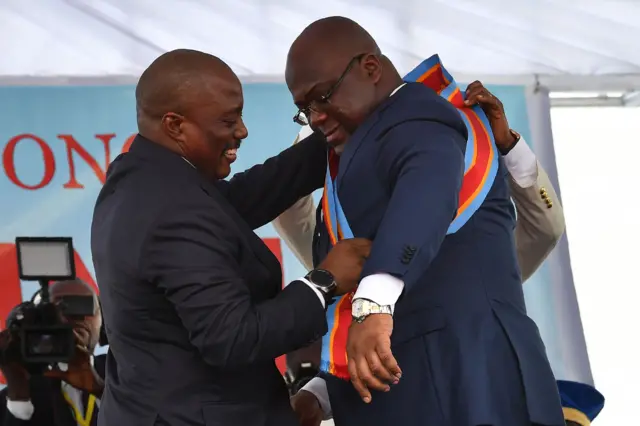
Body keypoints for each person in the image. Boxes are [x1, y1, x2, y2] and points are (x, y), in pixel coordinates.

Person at [284, 16, 564, 426]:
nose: (318, 117)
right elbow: (355, 333)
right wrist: (319, 394)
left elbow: (545, 230)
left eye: (324, 98)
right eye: (308, 111)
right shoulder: (338, 231)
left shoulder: (453, 156)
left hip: (479, 388)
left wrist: (509, 149)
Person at [90, 49, 371, 426]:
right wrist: (323, 281)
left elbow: (250, 194)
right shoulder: (172, 210)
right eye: (228, 120)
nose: (242, 130)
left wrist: (335, 131)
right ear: (175, 125)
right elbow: (233, 338)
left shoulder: (141, 179)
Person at [0, 279, 105, 426]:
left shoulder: (129, 375)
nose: (74, 317)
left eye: (84, 305)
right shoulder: (12, 396)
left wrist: (100, 389)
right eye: (60, 309)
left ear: (103, 321)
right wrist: (19, 396)